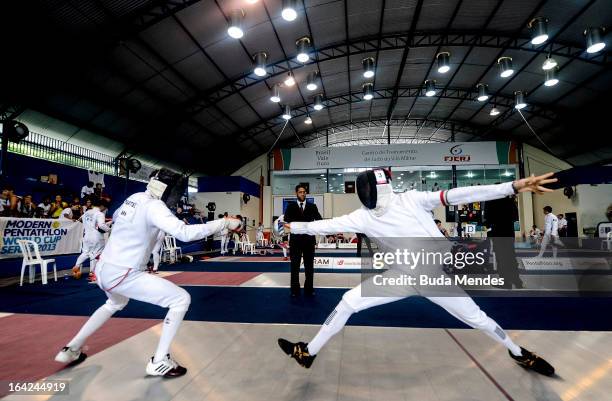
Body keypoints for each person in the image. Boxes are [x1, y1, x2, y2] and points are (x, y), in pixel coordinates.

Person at [278, 169, 556, 376]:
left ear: (383, 188)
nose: (369, 199)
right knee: (349, 301)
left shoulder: (413, 199)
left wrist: (514, 186)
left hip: (435, 277)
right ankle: (308, 352)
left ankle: (519, 353)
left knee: (478, 319)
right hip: (401, 276)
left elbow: (463, 194)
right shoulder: (362, 216)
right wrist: (294, 227)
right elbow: (325, 225)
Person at [54, 169, 243, 378]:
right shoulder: (155, 206)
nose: (175, 196)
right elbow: (185, 233)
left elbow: (116, 219)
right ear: (164, 189)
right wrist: (224, 222)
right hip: (123, 273)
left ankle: (71, 349)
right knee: (181, 300)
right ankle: (160, 361)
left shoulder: (134, 198)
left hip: (103, 268)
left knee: (115, 303)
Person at [284, 184, 322, 297]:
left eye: (304, 192)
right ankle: (294, 290)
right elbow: (286, 223)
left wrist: (327, 232)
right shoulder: (290, 206)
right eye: (300, 192)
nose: (302, 193)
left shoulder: (312, 206)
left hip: (309, 241)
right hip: (295, 242)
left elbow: (320, 220)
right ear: (296, 193)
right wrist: (285, 239)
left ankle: (309, 289)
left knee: (309, 266)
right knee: (294, 266)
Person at [485, 195, 523, 289]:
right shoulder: (510, 201)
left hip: (498, 233)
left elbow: (487, 219)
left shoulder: (491, 201)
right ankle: (517, 282)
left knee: (501, 258)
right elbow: (515, 217)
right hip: (509, 233)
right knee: (511, 257)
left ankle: (506, 282)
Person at [72, 198, 112, 282]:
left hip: (86, 236)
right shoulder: (99, 214)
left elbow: (80, 220)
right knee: (96, 254)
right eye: (104, 207)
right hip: (96, 237)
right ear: (102, 206)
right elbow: (101, 225)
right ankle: (92, 273)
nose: (104, 209)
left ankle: (76, 266)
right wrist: (109, 230)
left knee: (85, 252)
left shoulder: (86, 212)